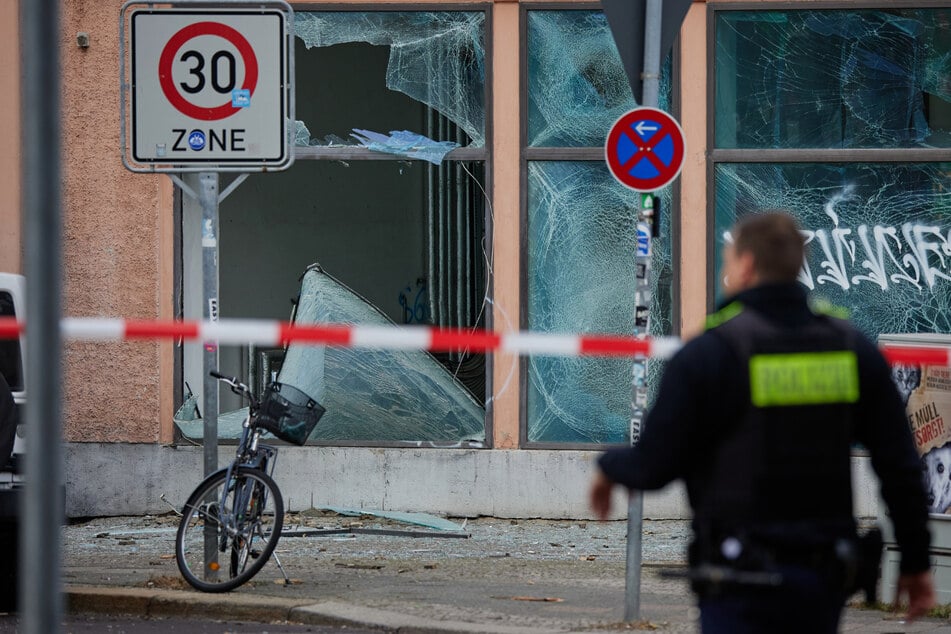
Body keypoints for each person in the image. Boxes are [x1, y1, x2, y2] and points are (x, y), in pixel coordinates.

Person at [589, 211, 935, 633]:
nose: (725, 271)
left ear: (747, 266)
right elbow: (899, 465)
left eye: (727, 261)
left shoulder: (710, 354)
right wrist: (917, 562)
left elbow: (656, 465)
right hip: (822, 580)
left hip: (738, 581)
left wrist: (608, 468)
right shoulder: (851, 350)